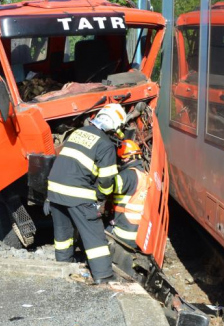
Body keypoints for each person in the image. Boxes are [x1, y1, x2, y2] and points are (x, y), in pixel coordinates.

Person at [46, 103, 126, 284]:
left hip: (55, 190)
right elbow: (107, 180)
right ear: (115, 126)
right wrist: (100, 198)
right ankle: (104, 277)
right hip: (77, 193)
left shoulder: (78, 133)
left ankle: (63, 270)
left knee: (63, 234)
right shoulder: (105, 144)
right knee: (94, 236)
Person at [110, 139, 150, 250]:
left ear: (126, 158)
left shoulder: (127, 175)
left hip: (124, 232)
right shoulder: (143, 174)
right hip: (138, 232)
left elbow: (108, 187)